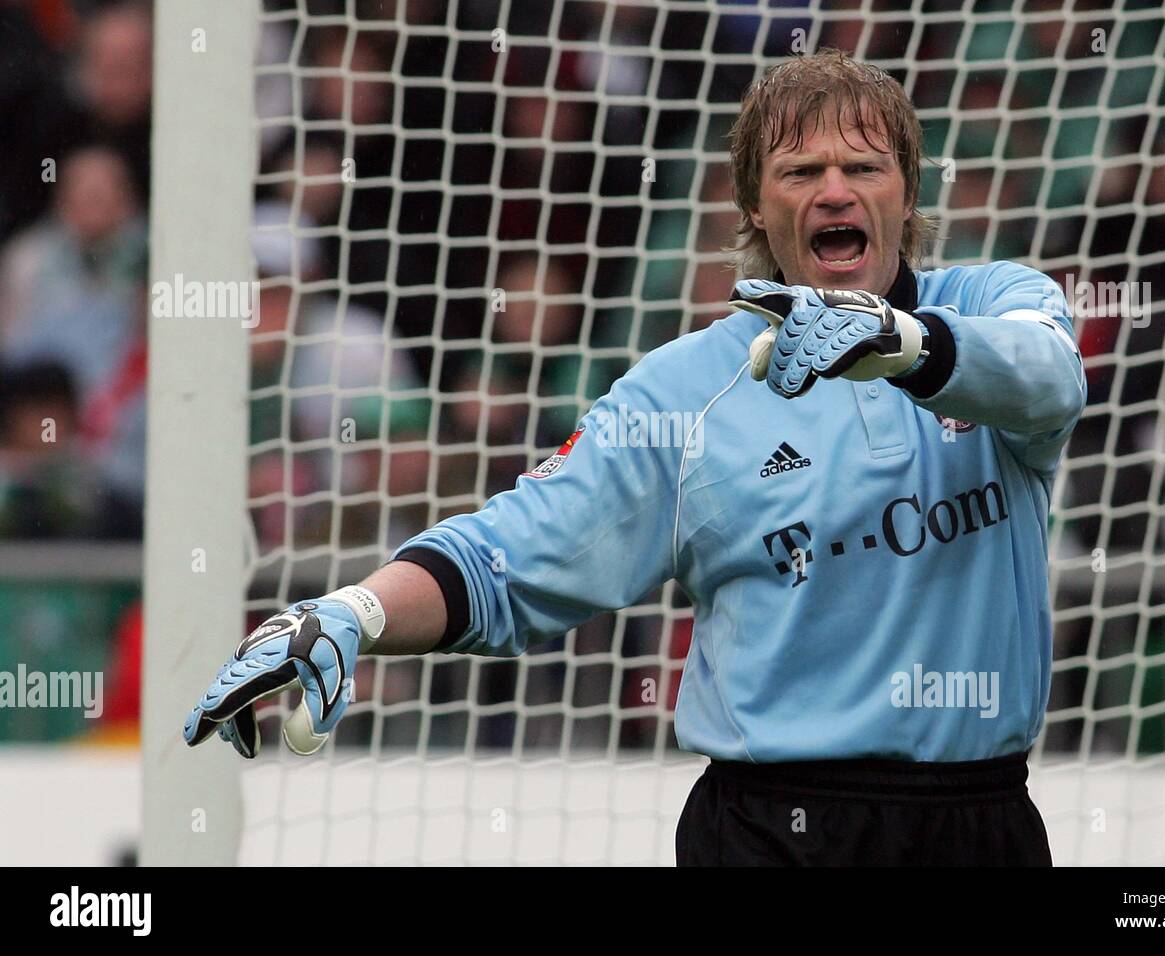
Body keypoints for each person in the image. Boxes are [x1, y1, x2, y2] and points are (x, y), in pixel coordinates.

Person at [184, 50, 1086, 866]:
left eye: (863, 167)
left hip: (980, 824)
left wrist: (902, 344)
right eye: (801, 171)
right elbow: (511, 558)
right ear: (755, 210)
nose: (835, 191)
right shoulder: (684, 394)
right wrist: (355, 611)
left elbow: (1047, 380)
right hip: (775, 832)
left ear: (907, 193)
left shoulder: (994, 304)